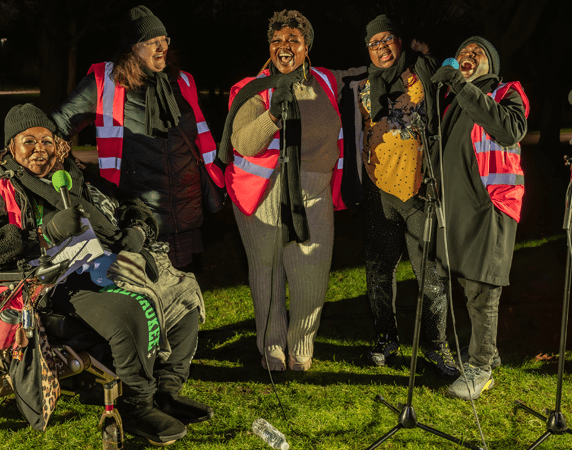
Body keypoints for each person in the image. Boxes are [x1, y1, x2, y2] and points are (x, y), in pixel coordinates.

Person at [0, 104, 213, 445]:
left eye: (47, 141)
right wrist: (43, 233)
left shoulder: (72, 175)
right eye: (29, 141)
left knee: (183, 294)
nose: (40, 149)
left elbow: (127, 203)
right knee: (131, 311)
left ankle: (165, 391)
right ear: (11, 148)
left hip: (104, 262)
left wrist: (137, 228)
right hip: (49, 280)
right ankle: (137, 406)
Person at [217, 10, 364, 372]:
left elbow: (369, 73)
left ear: (306, 47)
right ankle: (271, 344)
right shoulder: (252, 87)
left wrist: (406, 59)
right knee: (265, 272)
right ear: (269, 48)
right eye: (277, 40)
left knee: (311, 271)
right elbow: (242, 142)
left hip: (312, 191)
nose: (284, 46)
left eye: (292, 40)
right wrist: (271, 117)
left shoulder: (326, 82)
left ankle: (301, 344)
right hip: (261, 195)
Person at [51, 5, 222, 269]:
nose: (161, 46)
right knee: (144, 297)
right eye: (152, 41)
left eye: (164, 39)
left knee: (182, 294)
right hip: (138, 220)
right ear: (133, 47)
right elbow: (57, 126)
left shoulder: (183, 81)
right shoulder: (105, 82)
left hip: (185, 217)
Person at [346, 15, 457, 376]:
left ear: (400, 41)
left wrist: (431, 53)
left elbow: (452, 71)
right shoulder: (360, 86)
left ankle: (436, 348)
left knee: (431, 276)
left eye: (387, 39)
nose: (381, 47)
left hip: (418, 192)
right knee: (379, 273)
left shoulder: (421, 73)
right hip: (379, 192)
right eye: (373, 42)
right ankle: (386, 340)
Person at [430, 36, 529, 400]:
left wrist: (457, 82)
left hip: (492, 202)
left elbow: (509, 130)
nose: (467, 56)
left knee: (483, 287)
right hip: (458, 206)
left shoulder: (505, 92)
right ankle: (489, 352)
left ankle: (481, 368)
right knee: (467, 283)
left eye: (478, 53)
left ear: (493, 66)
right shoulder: (453, 98)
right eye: (462, 52)